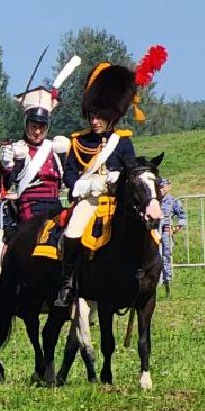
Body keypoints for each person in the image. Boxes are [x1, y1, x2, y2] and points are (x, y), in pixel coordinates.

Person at [56, 60, 157, 307]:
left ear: (111, 115)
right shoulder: (79, 140)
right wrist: (81, 186)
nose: (95, 121)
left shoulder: (122, 141)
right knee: (72, 233)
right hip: (89, 200)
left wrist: (118, 179)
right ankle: (68, 283)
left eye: (100, 116)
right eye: (92, 115)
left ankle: (147, 275)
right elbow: (69, 173)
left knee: (148, 234)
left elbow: (131, 169)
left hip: (115, 201)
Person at [0, 83, 66, 238]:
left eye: (42, 127)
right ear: (26, 125)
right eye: (34, 126)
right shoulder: (18, 151)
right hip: (30, 206)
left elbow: (68, 179)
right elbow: (2, 186)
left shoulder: (55, 151)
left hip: (55, 205)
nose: (37, 131)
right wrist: (5, 166)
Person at [159, 176, 186, 296]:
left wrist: (176, 228)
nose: (161, 189)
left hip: (165, 231)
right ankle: (156, 281)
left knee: (166, 254)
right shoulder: (154, 200)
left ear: (169, 187)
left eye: (163, 186)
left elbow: (182, 216)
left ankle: (167, 279)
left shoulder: (174, 201)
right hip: (154, 232)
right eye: (159, 186)